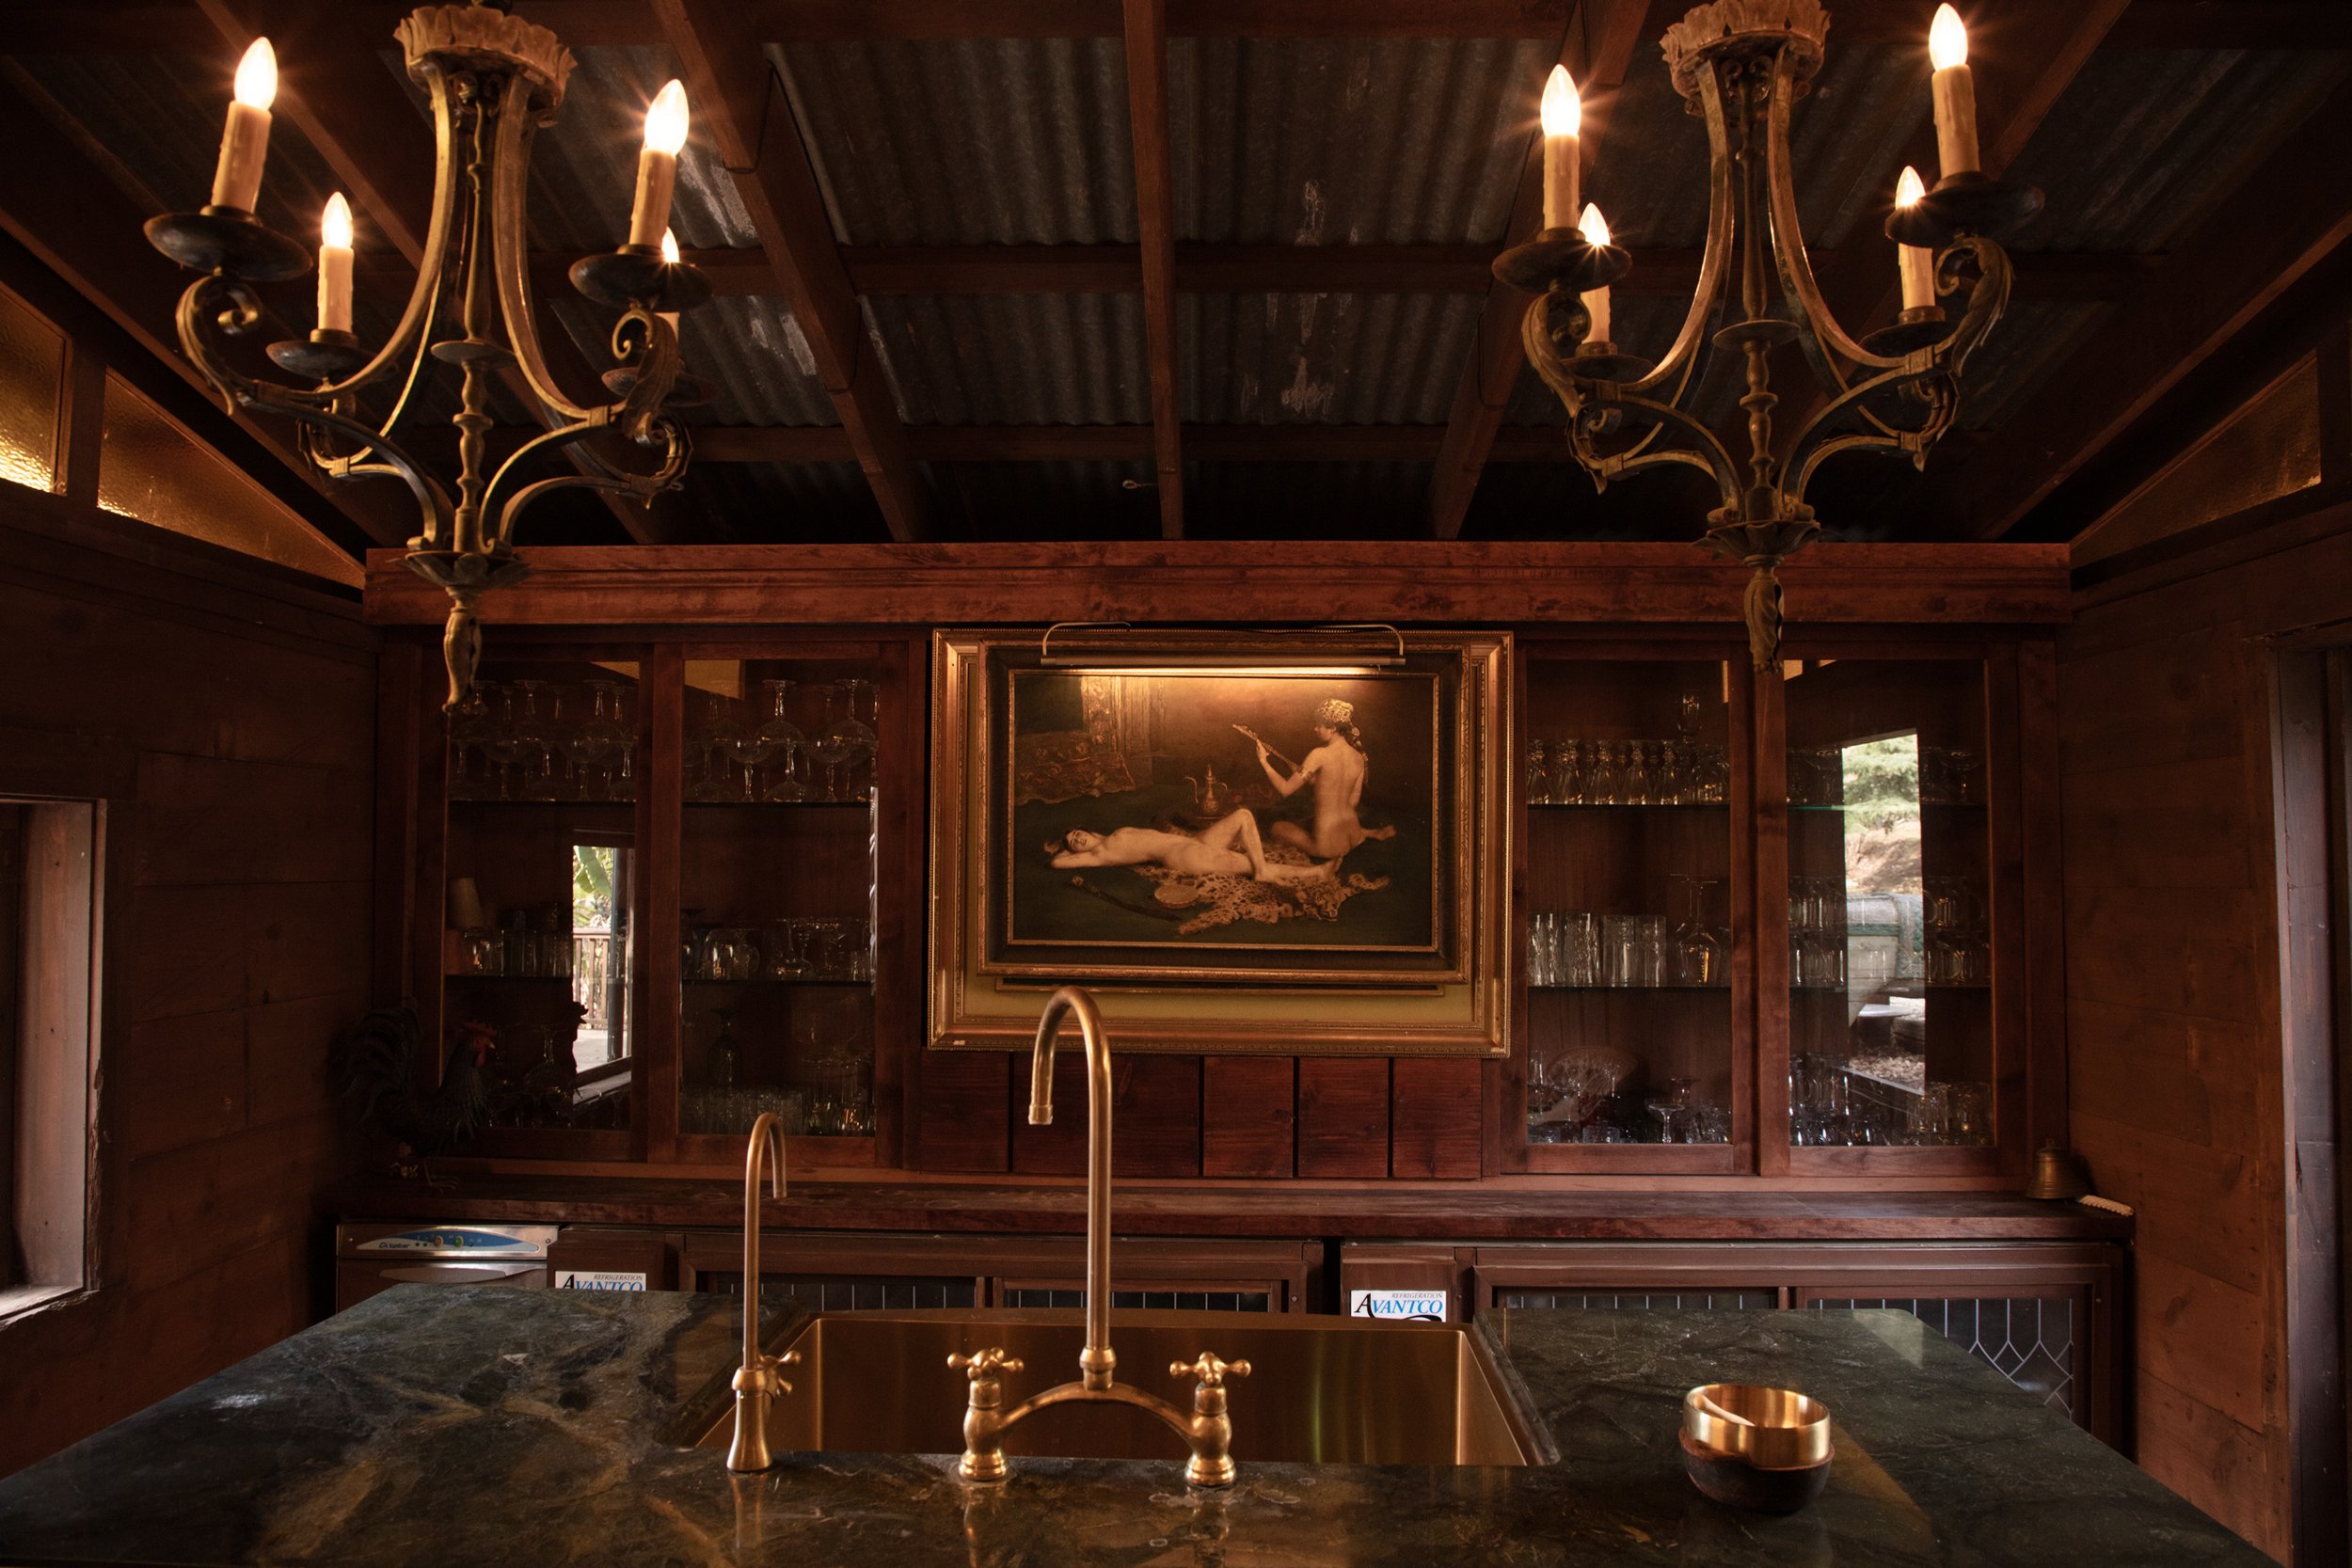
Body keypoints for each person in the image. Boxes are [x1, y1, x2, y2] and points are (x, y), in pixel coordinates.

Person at [1248, 697, 1397, 860]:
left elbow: (1285, 789)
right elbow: (1352, 801)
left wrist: (1264, 761)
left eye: (1319, 725)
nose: (1315, 729)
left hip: (1328, 847)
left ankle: (1364, 833)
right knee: (1304, 822)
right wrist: (1315, 781)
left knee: (1277, 828)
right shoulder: (1359, 757)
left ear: (1332, 728)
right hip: (1353, 837)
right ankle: (1367, 833)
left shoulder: (1319, 754)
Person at [1045, 808, 1334, 885]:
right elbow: (1057, 864)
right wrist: (1058, 847)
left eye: (1077, 834)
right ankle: (1314, 874)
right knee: (1245, 865)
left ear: (1086, 829)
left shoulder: (1109, 836)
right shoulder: (1100, 854)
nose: (1078, 840)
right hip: (1181, 856)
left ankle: (1262, 870)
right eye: (1074, 845)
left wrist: (1066, 840)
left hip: (1192, 843)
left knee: (1244, 816)